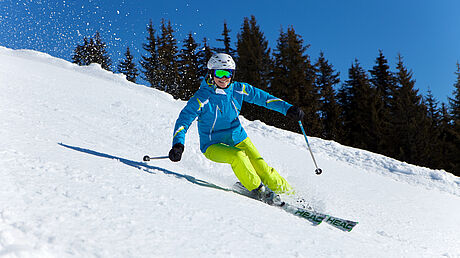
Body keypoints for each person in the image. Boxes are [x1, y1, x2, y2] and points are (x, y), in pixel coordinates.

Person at [169, 53, 305, 205]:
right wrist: (178, 145)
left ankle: (294, 198)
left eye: (228, 73)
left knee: (264, 170)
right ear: (211, 73)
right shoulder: (202, 98)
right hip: (212, 145)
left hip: (238, 137)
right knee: (238, 156)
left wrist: (288, 109)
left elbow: (264, 98)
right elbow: (183, 121)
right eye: (219, 73)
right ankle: (259, 191)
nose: (224, 78)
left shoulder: (238, 89)